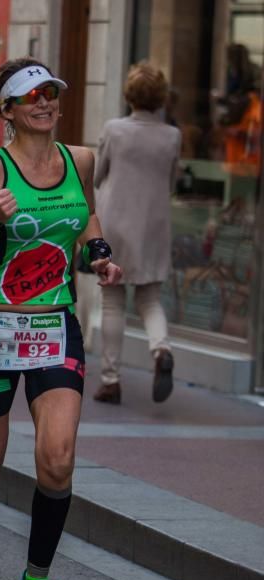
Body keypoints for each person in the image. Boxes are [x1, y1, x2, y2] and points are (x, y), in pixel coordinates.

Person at [0, 58, 122, 580]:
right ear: (8, 110)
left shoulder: (81, 159)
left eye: (51, 92)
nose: (45, 102)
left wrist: (97, 251)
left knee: (58, 459)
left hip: (54, 326)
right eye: (31, 95)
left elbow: (86, 209)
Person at [93, 62, 181, 405]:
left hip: (116, 223)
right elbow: (172, 182)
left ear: (129, 95)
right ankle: (161, 349)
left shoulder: (114, 130)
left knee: (112, 300)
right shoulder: (173, 135)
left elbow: (98, 175)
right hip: (154, 225)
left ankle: (111, 380)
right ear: (161, 98)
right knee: (150, 299)